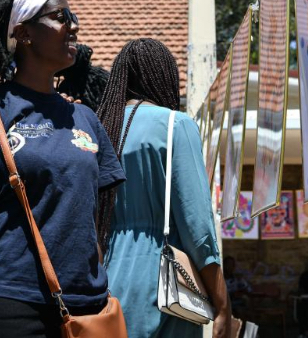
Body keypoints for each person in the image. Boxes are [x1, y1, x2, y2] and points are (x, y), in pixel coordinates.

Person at [0, 0, 126, 338]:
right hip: (13, 306)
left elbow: (90, 221)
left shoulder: (86, 119)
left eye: (72, 15)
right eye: (61, 16)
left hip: (89, 308)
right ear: (25, 33)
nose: (74, 25)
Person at [96, 38, 231, 338]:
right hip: (165, 285)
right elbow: (198, 228)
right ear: (164, 78)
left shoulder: (99, 130)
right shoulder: (175, 125)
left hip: (105, 282)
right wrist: (223, 305)